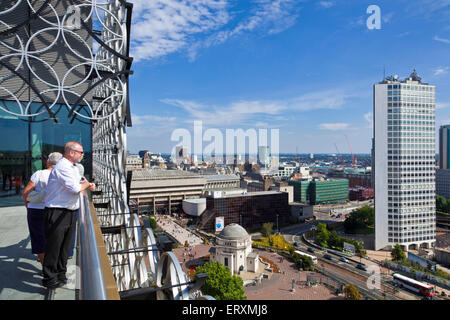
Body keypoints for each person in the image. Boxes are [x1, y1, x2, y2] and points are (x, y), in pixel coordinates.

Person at [42, 141, 95, 289]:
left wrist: (85, 184)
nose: (82, 155)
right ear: (71, 153)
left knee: (64, 246)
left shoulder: (72, 167)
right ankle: (50, 279)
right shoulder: (63, 167)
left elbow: (80, 182)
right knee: (54, 247)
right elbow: (75, 188)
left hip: (69, 211)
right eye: (80, 152)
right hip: (57, 211)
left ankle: (60, 274)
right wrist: (86, 185)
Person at [22, 152, 63, 265]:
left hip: (36, 210)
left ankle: (46, 268)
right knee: (55, 239)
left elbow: (25, 193)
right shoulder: (63, 174)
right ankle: (54, 267)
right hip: (56, 210)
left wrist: (28, 206)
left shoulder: (38, 174)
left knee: (39, 240)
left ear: (48, 162)